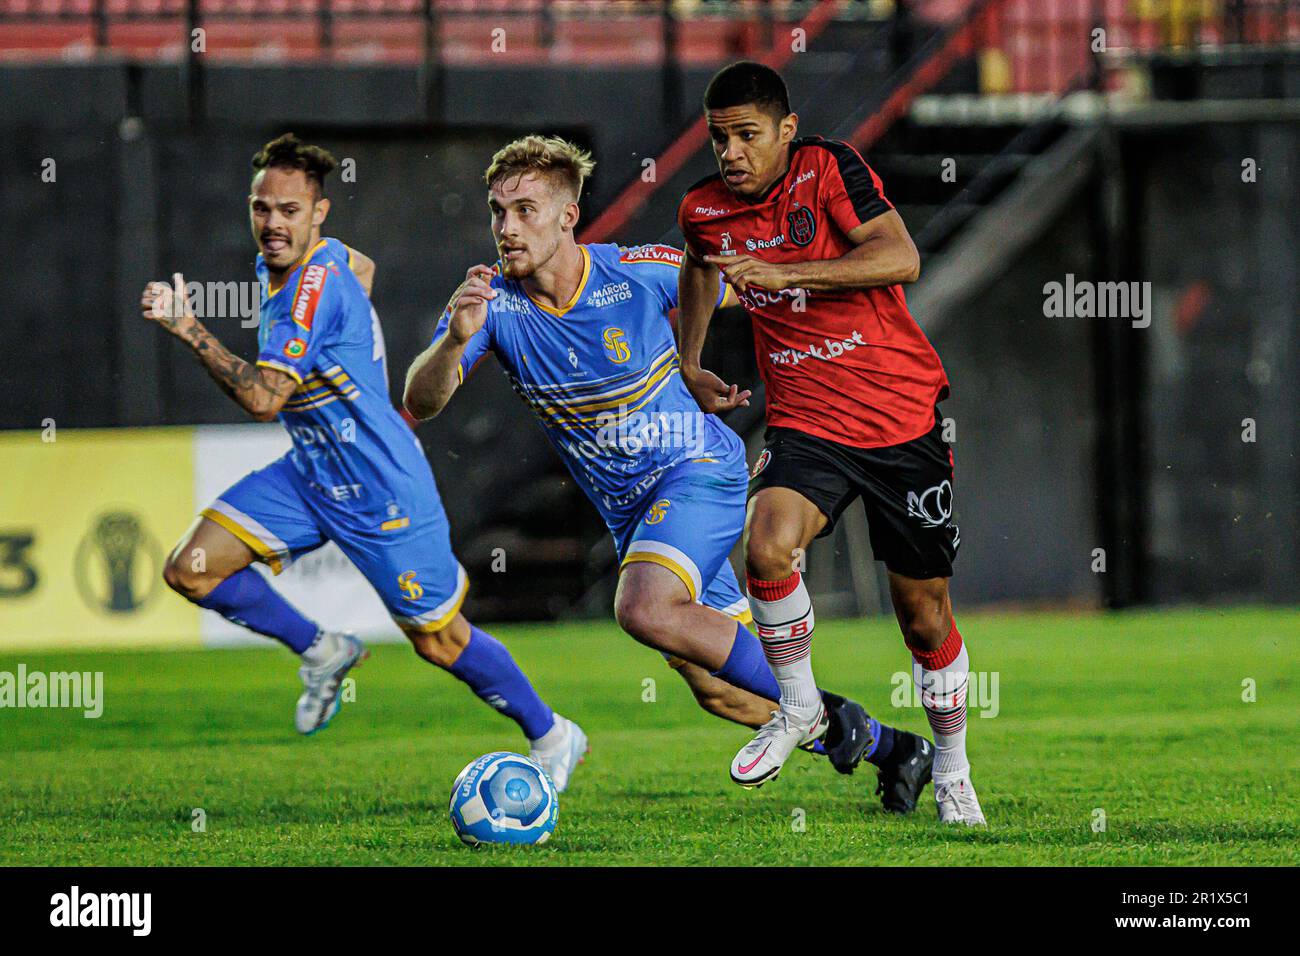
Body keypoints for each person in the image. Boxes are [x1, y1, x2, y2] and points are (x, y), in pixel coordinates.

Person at [404, 135, 933, 809]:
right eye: (497, 211)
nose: (507, 228)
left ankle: (817, 708)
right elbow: (421, 401)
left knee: (645, 607)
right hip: (636, 515)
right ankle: (892, 746)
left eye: (526, 210)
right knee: (722, 692)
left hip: (698, 472)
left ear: (568, 217)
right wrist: (453, 338)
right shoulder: (492, 307)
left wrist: (734, 345)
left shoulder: (632, 271)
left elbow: (732, 276)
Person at [139, 133, 586, 791]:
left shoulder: (306, 293)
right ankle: (324, 650)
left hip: (381, 486)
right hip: (313, 472)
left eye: (289, 211)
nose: (272, 223)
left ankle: (552, 733)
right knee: (191, 569)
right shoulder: (320, 260)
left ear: (318, 212)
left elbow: (265, 400)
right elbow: (364, 269)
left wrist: (190, 329)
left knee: (439, 642)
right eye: (262, 208)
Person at [676, 62, 982, 824]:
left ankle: (951, 767)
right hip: (807, 421)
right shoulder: (703, 209)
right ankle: (802, 706)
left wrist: (784, 273)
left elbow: (900, 256)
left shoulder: (827, 167)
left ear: (784, 130)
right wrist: (689, 361)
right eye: (720, 138)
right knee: (767, 546)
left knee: (924, 617)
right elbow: (697, 267)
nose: (732, 152)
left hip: (900, 420)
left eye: (748, 135)